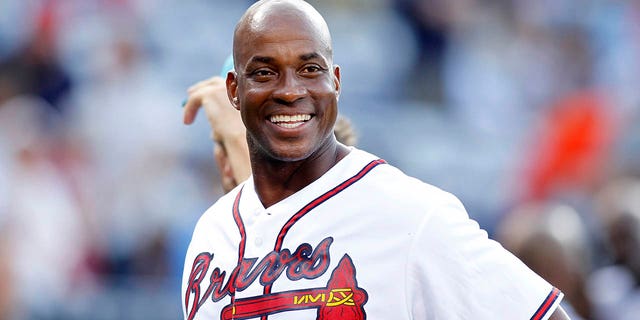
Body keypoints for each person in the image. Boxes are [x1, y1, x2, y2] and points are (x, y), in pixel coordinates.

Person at [181, 1, 570, 319]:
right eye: (265, 72)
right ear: (235, 89)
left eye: (309, 69)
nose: (290, 90)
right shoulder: (210, 235)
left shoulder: (413, 217)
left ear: (335, 81)